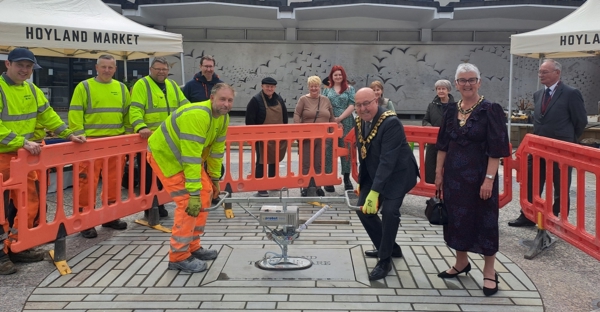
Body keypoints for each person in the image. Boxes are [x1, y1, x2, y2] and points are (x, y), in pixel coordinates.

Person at [0, 48, 86, 275]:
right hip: (4, 156)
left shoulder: (32, 88)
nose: (25, 70)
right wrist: (21, 141)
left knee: (28, 203)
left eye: (29, 67)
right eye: (20, 65)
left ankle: (18, 246)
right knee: (2, 208)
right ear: (8, 65)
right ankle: (1, 253)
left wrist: (68, 134)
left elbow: (48, 115)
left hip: (23, 158)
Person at [435, 63, 510, 297]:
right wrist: (438, 173)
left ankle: (489, 271)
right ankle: (461, 262)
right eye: (462, 80)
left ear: (479, 82)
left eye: (471, 79)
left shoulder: (491, 109)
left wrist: (489, 179)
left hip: (480, 179)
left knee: (485, 221)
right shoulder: (450, 110)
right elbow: (443, 144)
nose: (467, 84)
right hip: (454, 179)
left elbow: (496, 149)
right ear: (455, 84)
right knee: (457, 220)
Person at [146, 83, 233, 273]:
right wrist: (193, 192)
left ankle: (193, 246)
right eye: (222, 99)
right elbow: (191, 158)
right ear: (212, 98)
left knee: (206, 193)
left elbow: (216, 151)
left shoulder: (222, 118)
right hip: (167, 157)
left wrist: (214, 178)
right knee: (187, 201)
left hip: (184, 158)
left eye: (229, 100)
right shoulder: (198, 116)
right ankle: (178, 256)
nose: (226, 104)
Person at [508, 59, 587, 227]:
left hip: (561, 150)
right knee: (531, 180)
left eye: (545, 72)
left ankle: (558, 218)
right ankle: (528, 214)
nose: (540, 75)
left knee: (561, 184)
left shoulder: (571, 93)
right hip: (538, 149)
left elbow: (580, 121)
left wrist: (568, 141)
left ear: (557, 73)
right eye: (540, 72)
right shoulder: (538, 94)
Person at [353, 87, 418, 281]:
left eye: (367, 103)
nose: (363, 108)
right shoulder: (359, 121)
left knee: (389, 211)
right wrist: (362, 181)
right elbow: (363, 152)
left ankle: (384, 259)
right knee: (361, 209)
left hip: (398, 175)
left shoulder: (391, 122)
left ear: (376, 100)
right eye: (358, 105)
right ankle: (389, 246)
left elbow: (388, 160)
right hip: (375, 173)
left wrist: (375, 192)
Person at [68, 54, 131, 239]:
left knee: (114, 180)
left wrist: (127, 136)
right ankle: (85, 221)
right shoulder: (85, 86)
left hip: (115, 143)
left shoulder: (121, 88)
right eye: (103, 67)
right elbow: (76, 111)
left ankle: (111, 216)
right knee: (87, 182)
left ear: (115, 69)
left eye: (110, 67)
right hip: (90, 144)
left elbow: (127, 114)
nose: (106, 70)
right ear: (96, 68)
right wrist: (79, 135)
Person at [130, 57, 189, 218]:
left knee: (165, 174)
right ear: (151, 69)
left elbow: (185, 106)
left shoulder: (172, 85)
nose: (162, 72)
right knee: (149, 175)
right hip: (150, 140)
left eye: (164, 69)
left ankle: (160, 203)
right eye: (158, 69)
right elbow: (135, 109)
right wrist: (140, 126)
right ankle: (150, 207)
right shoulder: (142, 85)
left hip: (168, 141)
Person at [245, 77, 288, 197]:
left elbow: (284, 117)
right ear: (262, 86)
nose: (270, 89)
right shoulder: (255, 100)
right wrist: (253, 136)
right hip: (261, 137)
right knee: (261, 161)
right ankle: (261, 187)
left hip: (277, 136)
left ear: (275, 87)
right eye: (267, 86)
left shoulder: (279, 99)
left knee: (275, 159)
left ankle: (273, 184)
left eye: (272, 87)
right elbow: (249, 120)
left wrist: (284, 131)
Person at [294, 76, 335, 197]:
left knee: (319, 162)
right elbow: (297, 114)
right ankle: (305, 186)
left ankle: (318, 186)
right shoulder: (303, 99)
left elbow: (331, 116)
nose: (314, 88)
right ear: (308, 87)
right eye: (311, 86)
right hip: (307, 137)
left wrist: (336, 127)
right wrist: (298, 128)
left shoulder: (326, 100)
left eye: (316, 86)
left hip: (322, 137)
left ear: (319, 87)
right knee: (306, 162)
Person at [322, 65, 355, 192]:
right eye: (335, 75)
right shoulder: (326, 90)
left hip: (346, 121)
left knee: (346, 149)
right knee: (329, 150)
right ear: (332, 76)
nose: (338, 77)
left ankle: (346, 178)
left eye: (340, 74)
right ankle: (329, 178)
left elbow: (352, 105)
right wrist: (333, 119)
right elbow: (324, 105)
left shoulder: (350, 89)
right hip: (330, 122)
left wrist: (339, 118)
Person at [422, 79, 454, 184]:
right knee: (431, 169)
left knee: (449, 170)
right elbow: (425, 120)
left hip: (450, 144)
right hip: (433, 143)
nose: (441, 91)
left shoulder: (456, 106)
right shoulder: (431, 106)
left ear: (448, 90)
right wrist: (431, 129)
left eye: (443, 88)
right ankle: (433, 195)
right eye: (438, 89)